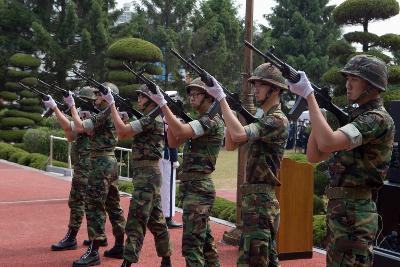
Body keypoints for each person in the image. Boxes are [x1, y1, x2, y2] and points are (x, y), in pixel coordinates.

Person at [286, 55, 395, 267]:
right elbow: (315, 155)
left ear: (372, 84)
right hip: (343, 213)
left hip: (355, 215)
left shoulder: (376, 118)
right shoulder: (356, 118)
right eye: (348, 78)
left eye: (355, 78)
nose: (348, 84)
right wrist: (319, 108)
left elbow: (327, 143)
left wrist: (309, 97)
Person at [203, 63, 289, 267]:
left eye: (261, 84)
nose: (255, 89)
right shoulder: (263, 117)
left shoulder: (277, 120)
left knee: (253, 261)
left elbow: (239, 134)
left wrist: (222, 100)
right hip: (255, 201)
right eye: (255, 84)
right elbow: (231, 143)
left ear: (275, 90)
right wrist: (231, 108)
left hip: (261, 201)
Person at [149, 78, 224, 267]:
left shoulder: (211, 120)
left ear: (208, 97)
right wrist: (170, 118)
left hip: (199, 188)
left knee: (192, 246)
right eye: (190, 94)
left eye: (196, 94)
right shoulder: (200, 120)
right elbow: (174, 142)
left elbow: (181, 132)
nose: (191, 98)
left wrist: (164, 106)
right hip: (193, 188)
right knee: (205, 243)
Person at [101, 84, 173, 267]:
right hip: (148, 174)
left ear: (151, 99)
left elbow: (123, 132)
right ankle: (166, 260)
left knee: (136, 220)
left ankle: (128, 262)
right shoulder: (150, 118)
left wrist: (111, 106)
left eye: (142, 96)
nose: (138, 99)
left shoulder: (151, 119)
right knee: (156, 220)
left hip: (147, 176)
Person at [62, 83, 126, 267]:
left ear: (108, 97)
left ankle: (94, 251)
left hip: (100, 162)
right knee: (113, 204)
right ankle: (120, 245)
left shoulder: (105, 113)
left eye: (99, 94)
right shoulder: (112, 112)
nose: (96, 97)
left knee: (94, 205)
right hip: (109, 161)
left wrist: (72, 105)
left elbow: (80, 127)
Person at [44, 87, 108, 251]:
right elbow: (70, 134)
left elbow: (74, 128)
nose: (77, 103)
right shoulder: (83, 115)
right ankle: (99, 237)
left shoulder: (94, 116)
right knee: (88, 202)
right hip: (83, 164)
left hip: (88, 165)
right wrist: (57, 109)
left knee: (78, 201)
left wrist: (57, 108)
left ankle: (72, 237)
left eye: (80, 100)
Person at [160, 117, 182, 228]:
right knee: (168, 189)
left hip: (158, 155)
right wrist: (174, 158)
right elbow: (171, 141)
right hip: (166, 156)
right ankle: (168, 217)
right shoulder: (167, 118)